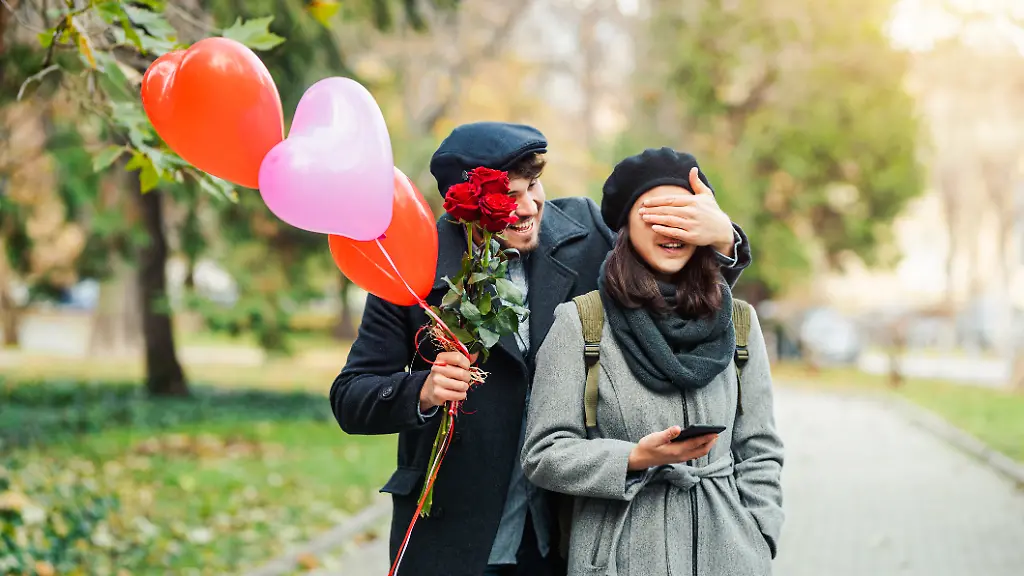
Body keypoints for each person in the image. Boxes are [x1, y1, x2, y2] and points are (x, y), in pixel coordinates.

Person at [330, 124, 753, 576]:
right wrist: (422, 391)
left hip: (562, 532)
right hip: (454, 537)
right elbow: (351, 396)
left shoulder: (587, 232)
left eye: (534, 186)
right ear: (465, 206)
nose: (531, 206)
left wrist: (723, 240)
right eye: (510, 196)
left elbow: (671, 300)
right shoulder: (413, 266)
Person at [521, 147, 784, 576]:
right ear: (624, 224)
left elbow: (760, 447)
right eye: (653, 210)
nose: (670, 223)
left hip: (730, 556)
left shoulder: (739, 321)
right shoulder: (582, 323)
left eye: (683, 211)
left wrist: (759, 533)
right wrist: (633, 458)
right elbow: (542, 454)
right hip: (619, 557)